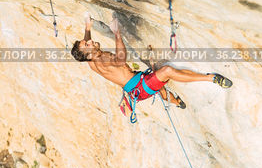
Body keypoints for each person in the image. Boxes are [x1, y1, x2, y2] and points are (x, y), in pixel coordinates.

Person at [71, 13, 232, 111]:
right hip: (139, 87)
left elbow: (86, 43)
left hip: (136, 86)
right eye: (87, 44)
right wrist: (117, 34)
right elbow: (121, 60)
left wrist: (87, 26)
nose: (90, 41)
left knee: (159, 85)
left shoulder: (90, 60)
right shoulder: (101, 60)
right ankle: (211, 78)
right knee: (166, 72)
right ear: (88, 53)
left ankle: (177, 102)